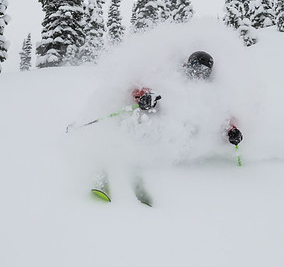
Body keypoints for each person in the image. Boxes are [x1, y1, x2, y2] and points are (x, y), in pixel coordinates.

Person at [90, 50, 243, 205]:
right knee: (138, 126)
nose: (198, 74)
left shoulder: (209, 92)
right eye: (195, 68)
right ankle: (107, 164)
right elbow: (139, 83)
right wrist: (145, 96)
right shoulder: (171, 75)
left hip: (178, 139)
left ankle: (144, 177)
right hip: (153, 121)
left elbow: (222, 116)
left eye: (203, 72)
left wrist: (232, 131)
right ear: (188, 65)